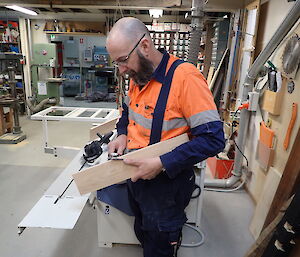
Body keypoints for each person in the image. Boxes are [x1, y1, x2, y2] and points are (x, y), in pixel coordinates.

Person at [106, 17, 225, 257]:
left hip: (166, 186)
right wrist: (121, 134)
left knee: (160, 245)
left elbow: (213, 139)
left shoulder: (185, 79)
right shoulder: (137, 76)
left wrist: (161, 163)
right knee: (143, 232)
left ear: (145, 46)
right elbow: (128, 112)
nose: (121, 70)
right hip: (137, 177)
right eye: (116, 63)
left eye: (122, 60)